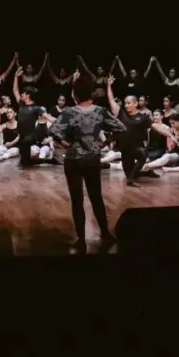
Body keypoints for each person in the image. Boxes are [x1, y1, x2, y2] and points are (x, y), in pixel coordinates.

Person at [49, 76, 125, 246]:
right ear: (91, 93)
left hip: (74, 159)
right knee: (96, 197)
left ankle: (81, 239)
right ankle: (105, 233)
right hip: (92, 157)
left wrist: (65, 144)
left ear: (75, 94)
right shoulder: (100, 111)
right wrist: (104, 142)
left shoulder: (69, 112)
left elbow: (53, 131)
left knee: (77, 200)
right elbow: (121, 127)